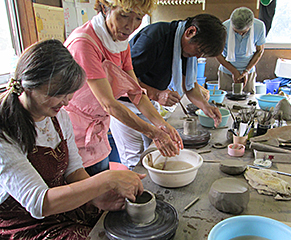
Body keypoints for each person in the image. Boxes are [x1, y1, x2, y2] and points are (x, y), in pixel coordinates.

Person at [0, 39, 145, 239]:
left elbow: (74, 169)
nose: (67, 101)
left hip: (61, 205)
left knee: (119, 218)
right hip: (25, 221)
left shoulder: (59, 116)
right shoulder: (4, 133)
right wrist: (105, 180)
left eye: (69, 93)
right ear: (29, 86)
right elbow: (39, 203)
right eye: (59, 93)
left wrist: (97, 198)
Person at [64, 0, 183, 175]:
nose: (130, 26)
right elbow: (109, 104)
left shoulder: (121, 44)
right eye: (124, 16)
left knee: (101, 179)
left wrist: (163, 125)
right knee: (87, 190)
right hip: (74, 131)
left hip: (98, 129)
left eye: (138, 18)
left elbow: (136, 93)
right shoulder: (84, 43)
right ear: (105, 8)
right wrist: (154, 133)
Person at [109, 13, 226, 169]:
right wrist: (156, 94)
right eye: (199, 50)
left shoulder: (185, 48)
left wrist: (206, 107)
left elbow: (189, 86)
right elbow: (123, 79)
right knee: (135, 158)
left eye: (203, 54)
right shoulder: (154, 39)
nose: (198, 57)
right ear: (190, 32)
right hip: (124, 105)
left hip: (147, 102)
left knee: (155, 149)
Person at [216, 7, 266, 94]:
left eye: (243, 32)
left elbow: (259, 51)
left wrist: (246, 71)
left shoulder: (259, 27)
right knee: (224, 102)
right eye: (236, 31)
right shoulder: (224, 28)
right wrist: (233, 71)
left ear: (250, 26)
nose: (239, 34)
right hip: (226, 72)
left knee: (248, 102)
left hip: (249, 72)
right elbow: (217, 53)